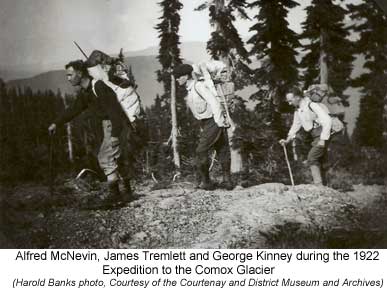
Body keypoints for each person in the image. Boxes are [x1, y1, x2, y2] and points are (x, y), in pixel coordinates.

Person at [48, 58, 138, 206]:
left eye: (70, 74)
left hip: (113, 125)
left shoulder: (99, 87)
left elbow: (114, 111)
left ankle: (115, 195)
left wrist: (115, 134)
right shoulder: (87, 91)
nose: (68, 78)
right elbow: (75, 109)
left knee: (106, 157)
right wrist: (56, 123)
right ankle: (126, 193)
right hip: (108, 125)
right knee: (115, 157)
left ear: (80, 73)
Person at [173, 64, 233, 190]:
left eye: (178, 77)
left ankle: (206, 182)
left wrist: (219, 122)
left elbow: (214, 102)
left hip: (214, 120)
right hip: (207, 122)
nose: (177, 79)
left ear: (185, 76)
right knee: (222, 148)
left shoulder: (198, 86)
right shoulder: (190, 90)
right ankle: (227, 181)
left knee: (201, 150)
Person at [279, 87, 332, 185]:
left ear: (298, 97)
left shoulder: (311, 105)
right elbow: (296, 125)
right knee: (319, 161)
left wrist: (323, 139)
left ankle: (319, 185)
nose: (289, 103)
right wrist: (287, 140)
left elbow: (328, 120)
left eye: (290, 101)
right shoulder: (298, 110)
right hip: (314, 136)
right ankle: (324, 185)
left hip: (322, 134)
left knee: (312, 157)